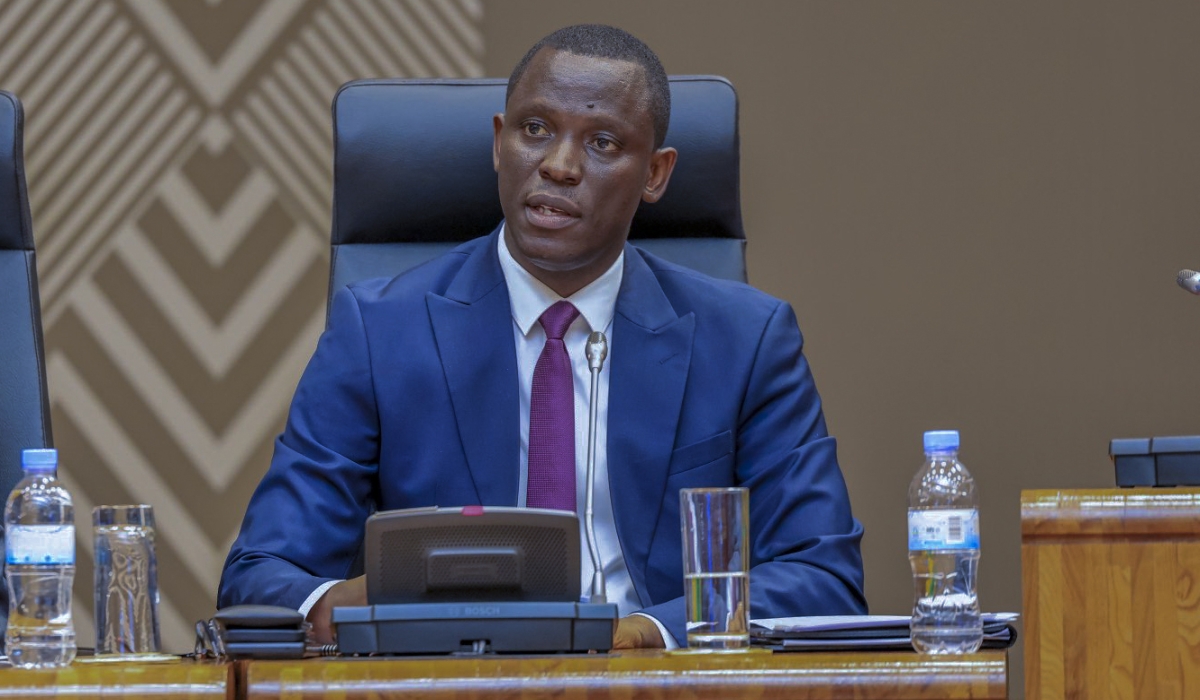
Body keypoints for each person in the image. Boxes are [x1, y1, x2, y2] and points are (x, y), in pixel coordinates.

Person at [219, 24, 867, 648]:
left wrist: (648, 631)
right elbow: (260, 580)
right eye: (536, 130)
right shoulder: (380, 332)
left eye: (603, 143)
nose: (558, 165)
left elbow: (823, 579)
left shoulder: (747, 342)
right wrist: (362, 602)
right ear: (500, 142)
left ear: (656, 174)